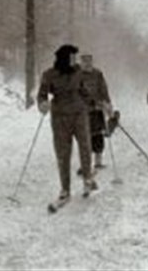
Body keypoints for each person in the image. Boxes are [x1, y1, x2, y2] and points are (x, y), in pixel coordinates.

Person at [37, 44, 97, 205]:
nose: (75, 60)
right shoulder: (49, 75)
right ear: (64, 58)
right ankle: (65, 189)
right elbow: (42, 94)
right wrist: (42, 104)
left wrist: (92, 101)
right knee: (63, 153)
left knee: (85, 147)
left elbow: (83, 90)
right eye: (72, 57)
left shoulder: (78, 72)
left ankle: (87, 180)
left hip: (80, 115)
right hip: (60, 118)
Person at [79, 54, 112, 171]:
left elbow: (104, 89)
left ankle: (98, 161)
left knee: (98, 136)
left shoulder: (98, 74)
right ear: (81, 62)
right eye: (85, 62)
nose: (87, 64)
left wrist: (107, 103)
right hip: (82, 112)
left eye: (89, 62)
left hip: (97, 110)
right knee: (84, 137)